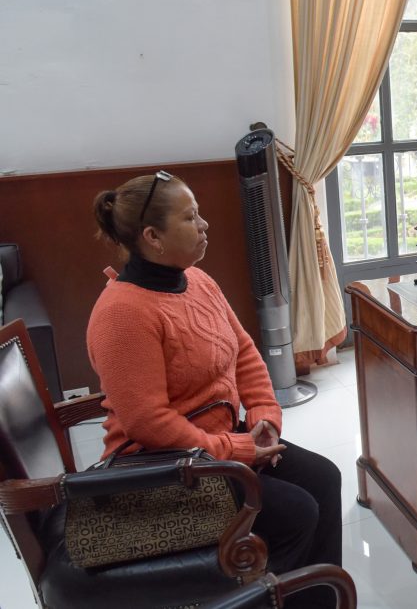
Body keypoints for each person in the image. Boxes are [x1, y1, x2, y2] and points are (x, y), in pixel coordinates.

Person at [88, 171, 341, 607]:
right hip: (163, 468)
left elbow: (243, 352)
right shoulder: (122, 313)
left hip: (217, 447)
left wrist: (264, 418)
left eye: (199, 213)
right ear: (152, 237)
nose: (204, 225)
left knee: (323, 477)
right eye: (190, 218)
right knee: (297, 513)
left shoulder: (199, 281)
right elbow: (149, 423)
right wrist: (236, 449)